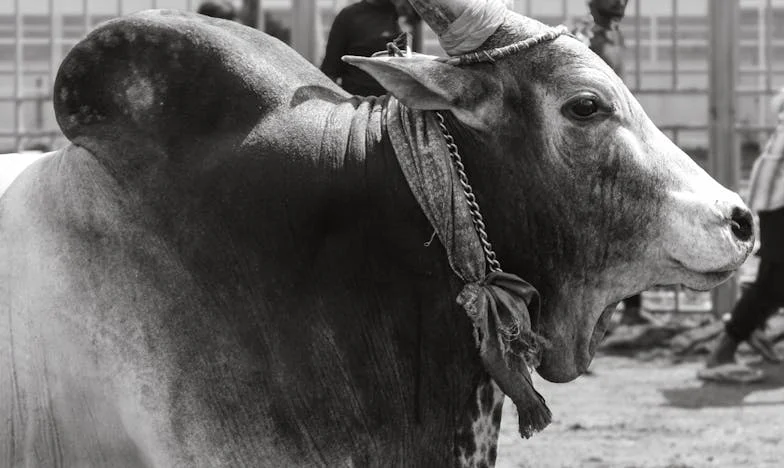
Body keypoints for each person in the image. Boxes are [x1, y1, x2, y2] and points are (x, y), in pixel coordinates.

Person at [699, 89, 784, 383]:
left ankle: (752, 325)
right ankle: (722, 353)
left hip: (776, 203)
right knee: (774, 283)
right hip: (780, 205)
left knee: (774, 283)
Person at [571, 0, 647, 326]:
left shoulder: (616, 34)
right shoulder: (583, 33)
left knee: (628, 222)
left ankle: (629, 310)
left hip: (615, 143)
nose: (618, 2)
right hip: (588, 147)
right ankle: (580, 317)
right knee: (589, 231)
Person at [320, 0, 404, 97]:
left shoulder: (406, 13)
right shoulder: (349, 15)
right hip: (358, 101)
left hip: (398, 102)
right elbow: (330, 71)